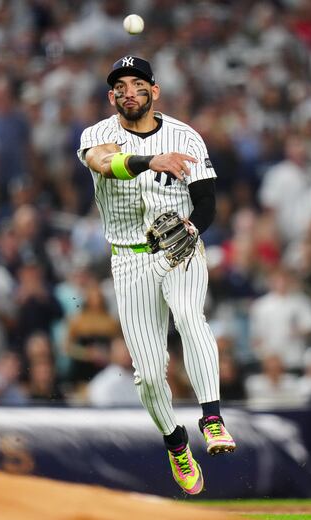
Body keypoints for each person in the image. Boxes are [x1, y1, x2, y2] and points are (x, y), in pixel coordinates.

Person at [77, 55, 234, 494]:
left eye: (138, 83)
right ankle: (176, 443)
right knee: (148, 374)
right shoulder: (98, 134)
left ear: (154, 91)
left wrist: (191, 229)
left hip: (179, 247)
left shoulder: (186, 135)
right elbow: (105, 164)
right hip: (128, 257)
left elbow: (207, 204)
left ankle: (213, 418)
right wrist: (152, 161)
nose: (130, 90)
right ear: (112, 97)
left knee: (189, 315)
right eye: (121, 85)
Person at [87, 336, 141, 407]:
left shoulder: (140, 375)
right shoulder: (103, 382)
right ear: (112, 353)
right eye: (121, 350)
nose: (126, 354)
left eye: (128, 350)